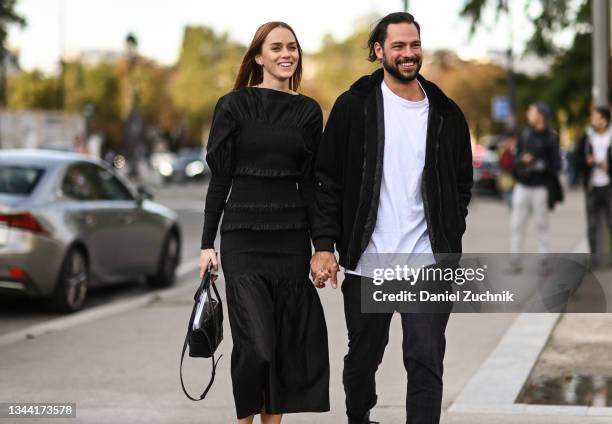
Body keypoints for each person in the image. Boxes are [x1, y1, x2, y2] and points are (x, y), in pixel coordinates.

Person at [310, 12, 473, 424]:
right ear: (379, 51)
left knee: (425, 358)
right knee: (363, 359)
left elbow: (461, 183)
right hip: (371, 261)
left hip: (427, 261)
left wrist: (450, 232)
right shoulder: (354, 107)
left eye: (414, 45)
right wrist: (325, 245)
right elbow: (327, 180)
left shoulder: (446, 114)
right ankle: (360, 417)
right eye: (398, 46)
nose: (408, 54)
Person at [199, 22, 329, 424]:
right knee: (256, 344)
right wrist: (207, 244)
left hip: (291, 242)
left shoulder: (308, 111)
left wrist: (323, 246)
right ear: (258, 56)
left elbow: (310, 185)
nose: (286, 54)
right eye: (276, 48)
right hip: (243, 240)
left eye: (292, 47)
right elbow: (220, 178)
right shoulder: (233, 106)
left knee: (283, 344)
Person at [509, 101, 561, 272]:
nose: (528, 115)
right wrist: (522, 160)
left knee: (542, 226)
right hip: (522, 187)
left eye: (531, 112)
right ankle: (515, 262)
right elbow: (515, 158)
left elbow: (557, 165)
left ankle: (545, 262)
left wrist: (540, 164)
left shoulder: (551, 138)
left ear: (541, 116)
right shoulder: (526, 134)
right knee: (517, 225)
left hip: (540, 188)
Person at [575, 106, 612, 267]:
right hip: (592, 186)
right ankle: (594, 260)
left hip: (609, 185)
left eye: (596, 117)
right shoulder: (588, 136)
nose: (593, 120)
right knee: (591, 225)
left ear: (604, 120)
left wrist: (608, 165)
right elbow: (577, 157)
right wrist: (587, 162)